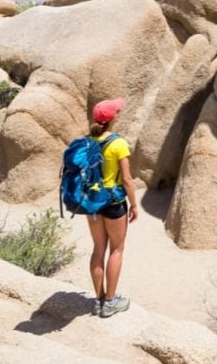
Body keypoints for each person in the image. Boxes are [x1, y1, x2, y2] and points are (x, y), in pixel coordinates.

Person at [86, 97, 138, 318]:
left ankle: (98, 300)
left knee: (98, 250)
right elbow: (127, 179)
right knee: (116, 250)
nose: (119, 112)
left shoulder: (87, 141)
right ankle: (110, 302)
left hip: (92, 202)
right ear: (112, 118)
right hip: (114, 203)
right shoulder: (118, 144)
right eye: (117, 111)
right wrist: (134, 204)